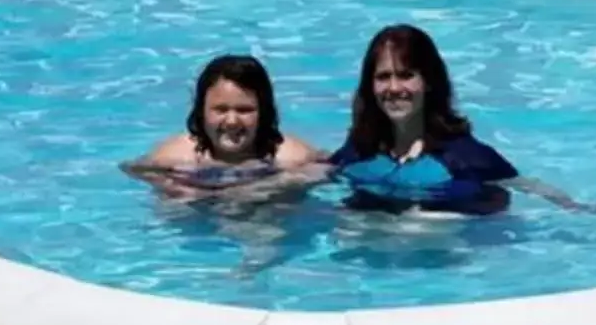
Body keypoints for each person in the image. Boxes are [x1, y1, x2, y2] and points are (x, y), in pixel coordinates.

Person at [328, 23, 533, 214]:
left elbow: (527, 188)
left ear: (429, 82)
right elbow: (327, 172)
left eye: (406, 75)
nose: (394, 88)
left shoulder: (464, 157)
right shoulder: (360, 150)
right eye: (383, 77)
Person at [131, 53, 323, 190]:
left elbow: (331, 171)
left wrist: (280, 184)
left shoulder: (291, 157)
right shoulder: (177, 155)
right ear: (202, 112)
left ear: (264, 113)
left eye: (245, 110)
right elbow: (134, 170)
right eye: (220, 110)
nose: (232, 121)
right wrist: (173, 186)